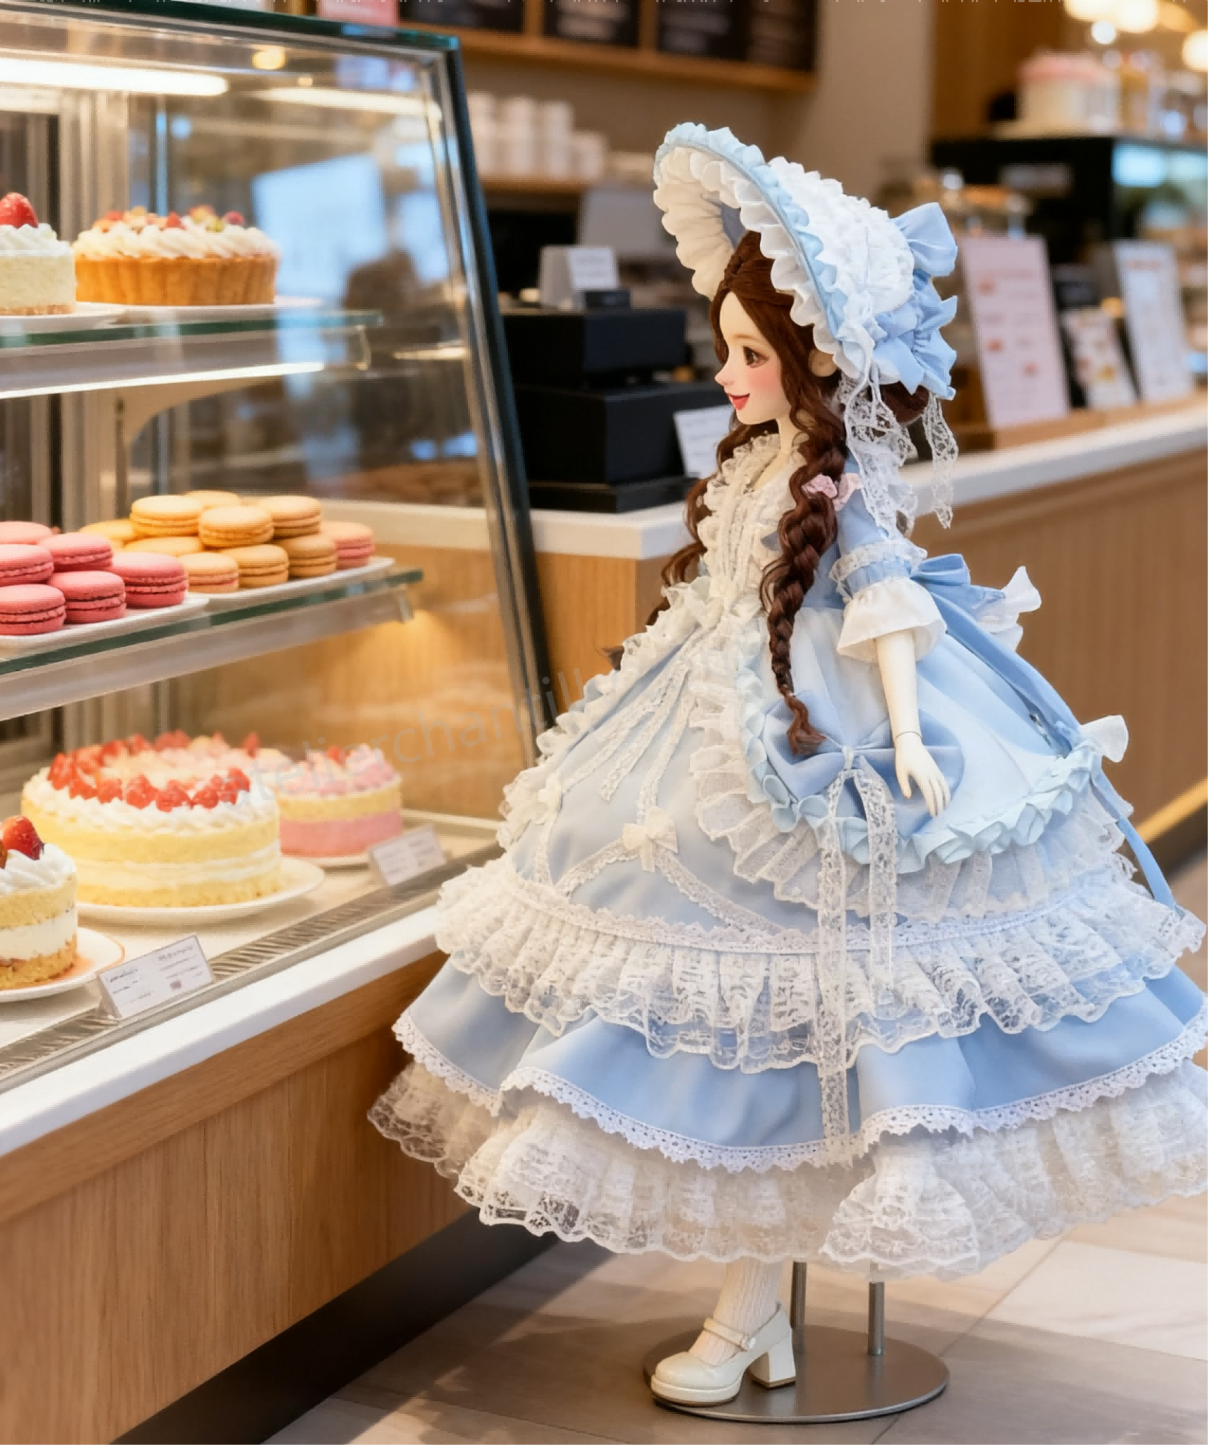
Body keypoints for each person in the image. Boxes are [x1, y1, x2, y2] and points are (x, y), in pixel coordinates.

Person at [371, 124, 1208, 1408]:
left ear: (815, 364)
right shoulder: (759, 471)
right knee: (720, 1014)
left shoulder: (843, 490)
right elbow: (723, 598)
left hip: (835, 746)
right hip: (718, 724)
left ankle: (751, 1309)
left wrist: (915, 739)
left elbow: (887, 615)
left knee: (836, 1015)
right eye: (726, 347)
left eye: (750, 353)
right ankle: (750, 1305)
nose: (726, 373)